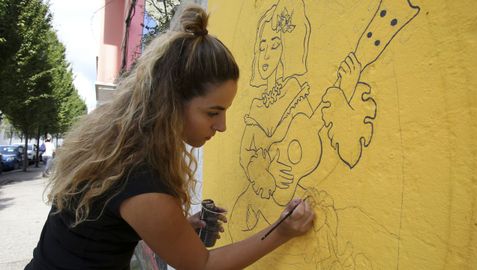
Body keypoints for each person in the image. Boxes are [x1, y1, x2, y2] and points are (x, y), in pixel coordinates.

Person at [25, 4, 314, 270]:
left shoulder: (121, 143)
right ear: (172, 102)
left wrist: (174, 229)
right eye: (213, 112)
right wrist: (282, 230)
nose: (222, 126)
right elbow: (202, 265)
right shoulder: (141, 176)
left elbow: (99, 229)